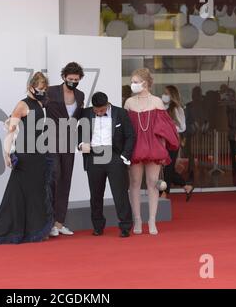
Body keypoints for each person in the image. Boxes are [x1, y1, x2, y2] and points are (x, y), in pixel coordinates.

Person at [0, 72, 54, 244]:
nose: (42, 91)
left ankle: (36, 230)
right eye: (39, 88)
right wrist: (6, 153)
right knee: (19, 193)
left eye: (44, 89)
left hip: (40, 153)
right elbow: (11, 129)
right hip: (26, 154)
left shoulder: (40, 103)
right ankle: (12, 230)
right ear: (30, 87)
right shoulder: (22, 105)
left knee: (37, 193)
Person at [124, 68, 179, 235]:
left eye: (135, 82)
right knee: (134, 183)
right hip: (135, 147)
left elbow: (164, 129)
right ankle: (138, 220)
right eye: (132, 82)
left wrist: (162, 150)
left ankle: (152, 220)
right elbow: (126, 129)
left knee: (153, 183)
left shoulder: (157, 102)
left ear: (145, 83)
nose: (132, 85)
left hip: (154, 147)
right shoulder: (129, 103)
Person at [78, 92, 134, 238]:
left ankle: (125, 226)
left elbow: (130, 135)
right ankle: (97, 226)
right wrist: (81, 144)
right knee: (95, 195)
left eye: (102, 110)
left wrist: (124, 157)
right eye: (96, 111)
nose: (98, 113)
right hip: (94, 156)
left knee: (120, 193)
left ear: (107, 105)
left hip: (114, 156)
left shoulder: (120, 113)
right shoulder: (85, 113)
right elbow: (79, 132)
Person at [45, 62, 85, 237]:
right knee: (54, 176)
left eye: (76, 80)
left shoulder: (80, 95)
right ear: (63, 77)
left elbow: (80, 117)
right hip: (51, 138)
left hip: (69, 141)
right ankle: (48, 222)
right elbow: (36, 107)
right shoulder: (51, 91)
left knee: (65, 180)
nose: (73, 82)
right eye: (70, 79)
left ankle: (59, 223)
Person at [160, 85, 194, 201]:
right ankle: (186, 185)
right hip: (164, 140)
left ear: (172, 95)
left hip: (172, 140)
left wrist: (170, 127)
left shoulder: (176, 108)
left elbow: (182, 126)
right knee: (167, 167)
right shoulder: (162, 107)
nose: (164, 95)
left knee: (168, 167)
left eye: (166, 93)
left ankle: (164, 192)